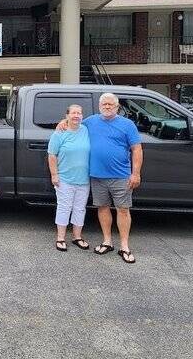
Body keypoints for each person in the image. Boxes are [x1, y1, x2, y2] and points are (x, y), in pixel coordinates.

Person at [58, 93, 143, 264]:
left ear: (117, 107)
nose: (107, 107)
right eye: (104, 104)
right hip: (97, 176)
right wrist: (63, 122)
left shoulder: (127, 125)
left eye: (110, 104)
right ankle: (107, 241)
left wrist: (136, 173)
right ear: (99, 106)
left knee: (123, 210)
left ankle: (124, 246)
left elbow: (137, 149)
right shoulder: (90, 121)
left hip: (121, 175)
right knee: (103, 208)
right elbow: (74, 123)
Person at [47, 104, 90, 252]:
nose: (76, 115)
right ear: (67, 116)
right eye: (73, 113)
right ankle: (60, 238)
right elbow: (52, 155)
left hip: (84, 180)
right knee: (64, 208)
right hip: (64, 179)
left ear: (82, 116)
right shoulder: (59, 133)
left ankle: (77, 237)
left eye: (79, 113)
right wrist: (54, 175)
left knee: (80, 209)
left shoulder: (86, 130)